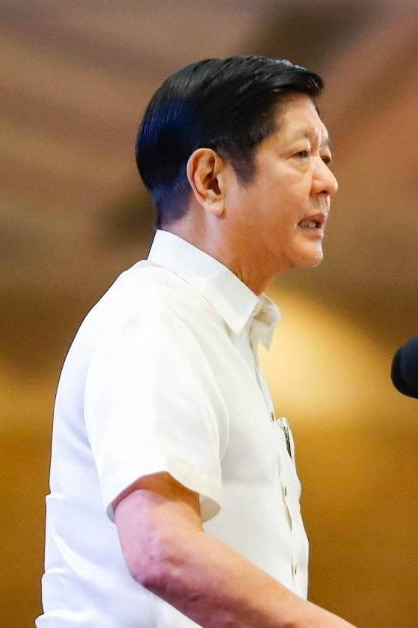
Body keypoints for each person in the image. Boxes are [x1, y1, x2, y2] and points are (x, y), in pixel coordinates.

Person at [38, 55, 354, 628]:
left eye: (325, 158)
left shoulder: (215, 328)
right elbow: (161, 549)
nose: (327, 181)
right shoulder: (154, 318)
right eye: (301, 154)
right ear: (210, 179)